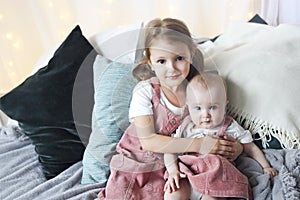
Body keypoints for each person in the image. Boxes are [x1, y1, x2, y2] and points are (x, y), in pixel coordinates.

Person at [98, 18, 244, 200]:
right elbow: (148, 141)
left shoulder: (197, 90)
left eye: (179, 58)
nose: (172, 68)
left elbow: (216, 126)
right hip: (139, 162)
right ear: (150, 62)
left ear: (191, 54)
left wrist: (236, 148)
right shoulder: (146, 91)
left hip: (178, 164)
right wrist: (200, 144)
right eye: (161, 61)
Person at [164, 73, 278, 200]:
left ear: (224, 106)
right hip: (187, 174)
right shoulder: (186, 126)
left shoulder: (230, 126)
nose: (205, 114)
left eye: (212, 107)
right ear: (188, 106)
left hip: (215, 179)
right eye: (198, 108)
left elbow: (250, 147)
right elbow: (170, 150)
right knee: (173, 193)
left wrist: (266, 166)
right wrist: (172, 171)